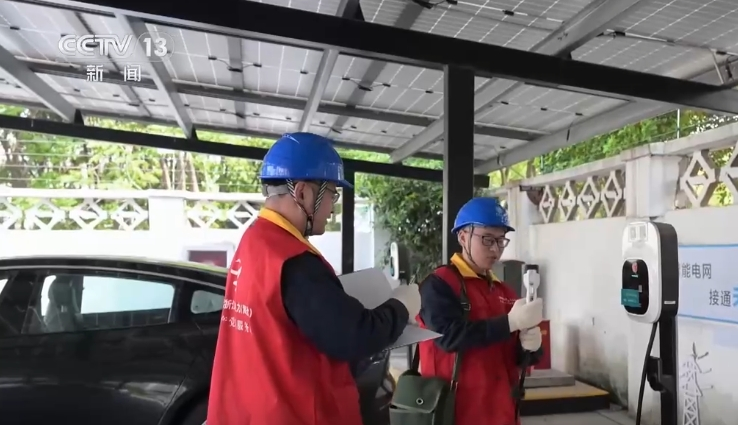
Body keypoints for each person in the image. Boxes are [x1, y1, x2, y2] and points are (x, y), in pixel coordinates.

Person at [206, 133, 422, 425]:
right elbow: (355, 336)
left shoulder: (255, 241)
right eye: (332, 193)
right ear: (303, 193)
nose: (332, 208)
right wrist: (401, 306)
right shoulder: (293, 260)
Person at [416, 197, 545, 425]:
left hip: (502, 412)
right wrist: (509, 323)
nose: (495, 249)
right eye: (487, 239)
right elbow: (448, 337)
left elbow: (514, 356)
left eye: (501, 241)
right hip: (455, 413)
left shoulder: (504, 291)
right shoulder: (439, 284)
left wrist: (531, 348)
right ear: (463, 236)